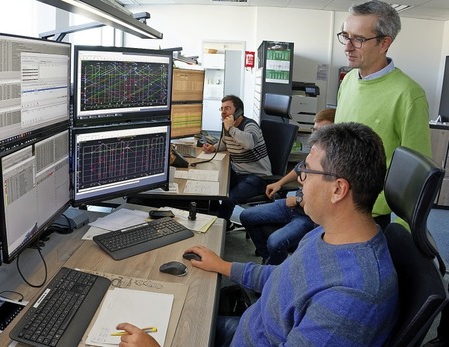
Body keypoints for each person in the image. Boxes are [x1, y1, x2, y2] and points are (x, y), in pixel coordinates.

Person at [116, 122, 398, 346]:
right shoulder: (326, 233)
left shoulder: (352, 297)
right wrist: (223, 265)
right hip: (250, 329)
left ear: (338, 189)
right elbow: (284, 278)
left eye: (306, 172)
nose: (299, 181)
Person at [336, 0, 431, 230]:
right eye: (345, 35)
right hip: (336, 204)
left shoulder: (409, 95)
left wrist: (403, 232)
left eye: (358, 39)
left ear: (384, 43)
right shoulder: (348, 80)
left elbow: (417, 176)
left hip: (370, 216)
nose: (347, 47)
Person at [240, 108, 335, 265]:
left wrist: (297, 200)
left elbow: (325, 202)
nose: (316, 136)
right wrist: (279, 183)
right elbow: (299, 168)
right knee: (246, 216)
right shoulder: (317, 151)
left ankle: (273, 272)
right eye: (314, 130)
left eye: (322, 131)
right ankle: (268, 261)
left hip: (308, 216)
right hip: (291, 205)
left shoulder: (335, 163)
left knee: (275, 242)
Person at [202, 95, 271, 229]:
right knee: (213, 187)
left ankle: (220, 228)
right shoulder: (227, 126)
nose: (223, 112)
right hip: (238, 173)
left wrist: (231, 129)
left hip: (257, 176)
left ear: (238, 111)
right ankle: (214, 217)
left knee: (229, 198)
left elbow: (249, 143)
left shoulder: (250, 125)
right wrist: (213, 148)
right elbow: (224, 143)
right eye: (221, 109)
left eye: (227, 108)